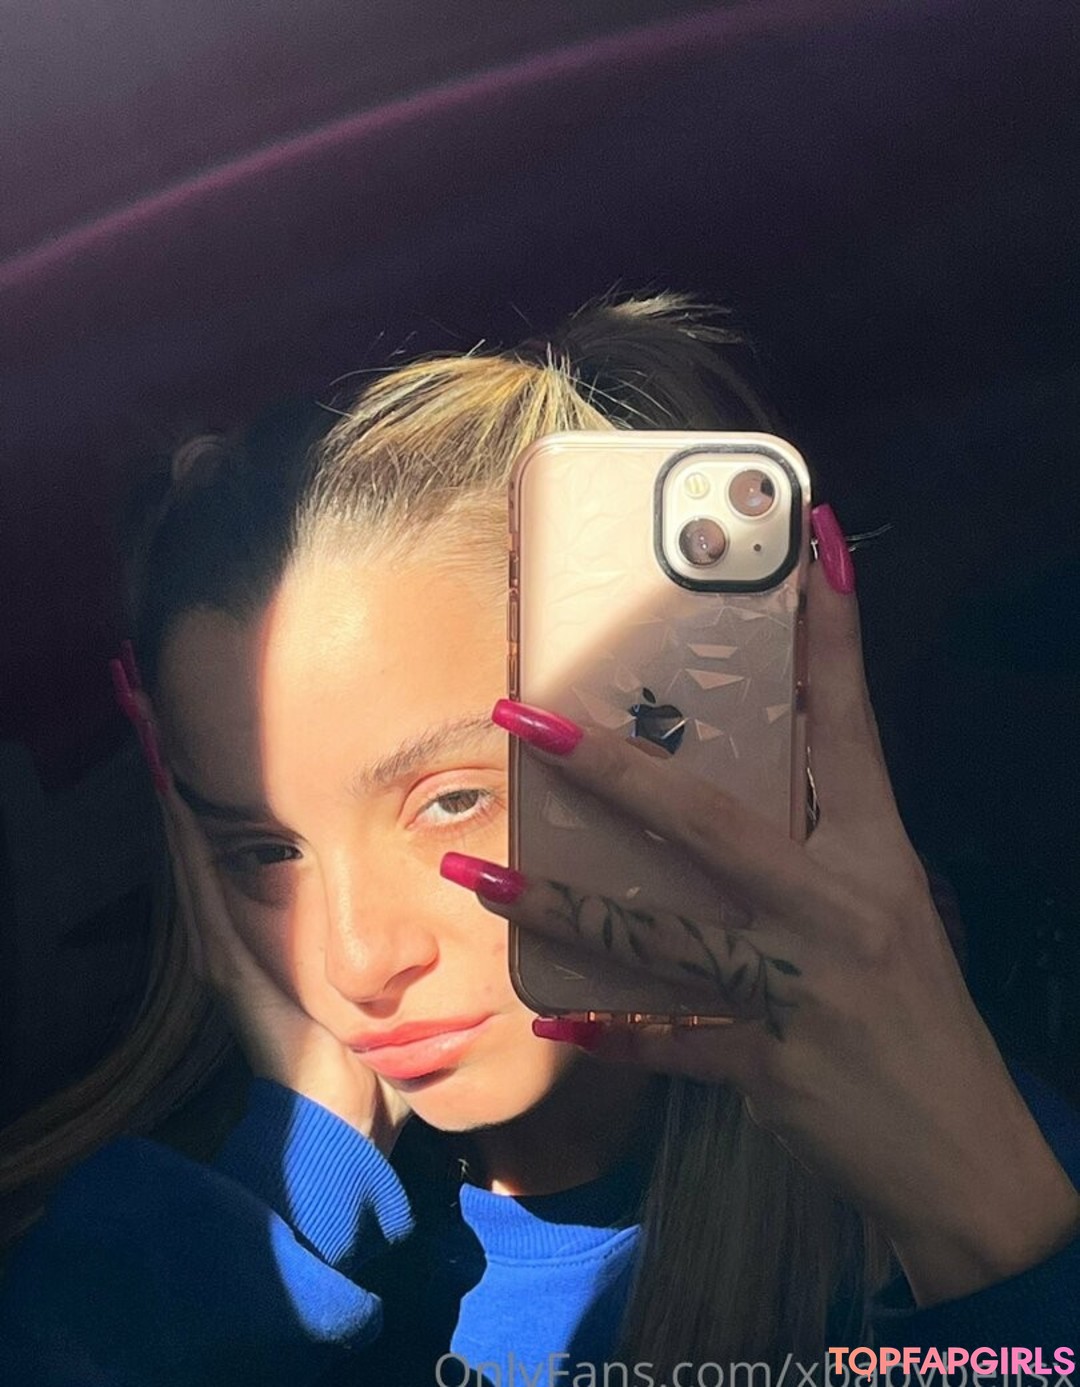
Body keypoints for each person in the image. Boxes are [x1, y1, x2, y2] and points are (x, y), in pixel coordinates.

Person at [0, 294, 1077, 1386]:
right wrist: (294, 1185)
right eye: (265, 851)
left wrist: (985, 1228)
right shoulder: (130, 1266)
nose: (356, 961)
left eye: (451, 801)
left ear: (669, 742)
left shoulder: (934, 1219)